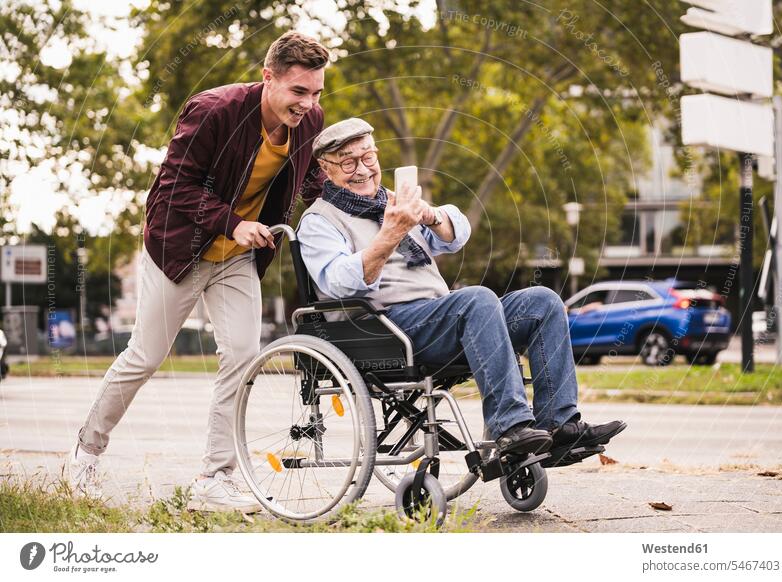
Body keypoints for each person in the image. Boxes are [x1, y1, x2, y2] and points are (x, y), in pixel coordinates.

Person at [68, 32, 330, 513]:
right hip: (181, 248)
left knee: (244, 355)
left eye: (316, 92)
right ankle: (84, 453)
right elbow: (174, 189)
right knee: (144, 356)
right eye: (298, 91)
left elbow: (310, 179)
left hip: (236, 258)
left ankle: (215, 478)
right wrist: (235, 222)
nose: (308, 103)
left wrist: (361, 201)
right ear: (268, 77)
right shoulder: (214, 110)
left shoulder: (309, 121)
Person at [297, 118, 626, 461]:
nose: (362, 170)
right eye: (348, 162)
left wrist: (429, 217)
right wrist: (390, 233)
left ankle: (559, 426)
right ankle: (510, 427)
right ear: (326, 168)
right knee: (476, 300)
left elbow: (456, 236)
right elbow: (338, 282)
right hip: (385, 328)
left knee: (542, 302)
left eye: (368, 157)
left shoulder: (393, 204)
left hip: (439, 317)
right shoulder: (320, 221)